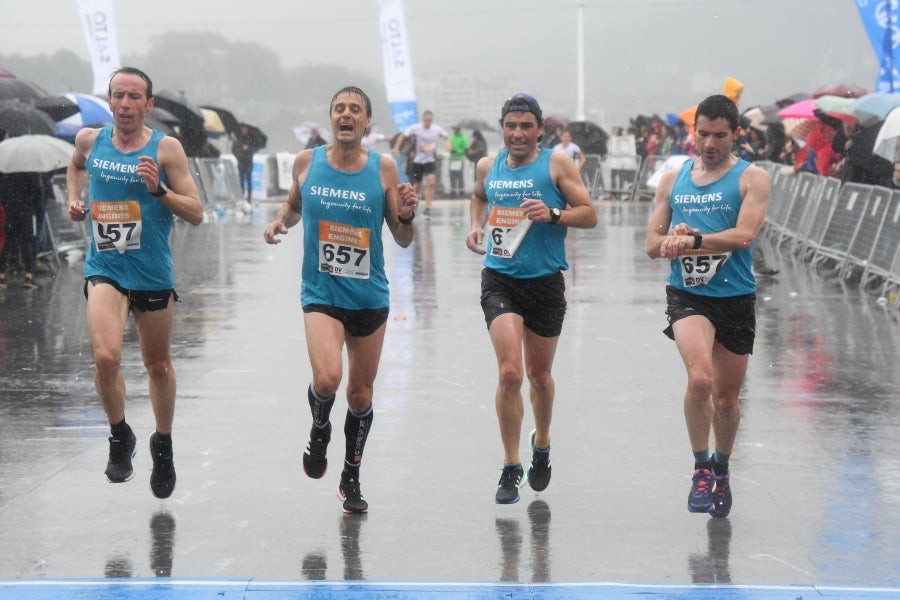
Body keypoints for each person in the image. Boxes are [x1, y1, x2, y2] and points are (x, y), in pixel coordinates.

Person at [263, 86, 418, 514]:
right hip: (322, 292)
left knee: (360, 395)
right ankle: (318, 428)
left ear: (367, 123)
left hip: (369, 295)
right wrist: (280, 221)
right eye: (339, 108)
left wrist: (407, 215)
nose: (346, 115)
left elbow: (404, 239)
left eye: (355, 110)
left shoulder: (385, 169)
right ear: (330, 118)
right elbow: (294, 205)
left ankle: (351, 474)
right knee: (328, 379)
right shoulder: (306, 161)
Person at [66, 66, 204, 499]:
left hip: (151, 271)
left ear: (149, 104)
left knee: (158, 365)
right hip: (105, 266)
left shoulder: (167, 150)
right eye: (118, 96)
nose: (125, 104)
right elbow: (75, 166)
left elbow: (196, 212)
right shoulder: (91, 140)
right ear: (109, 102)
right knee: (106, 357)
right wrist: (74, 198)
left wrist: (160, 190)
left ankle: (162, 445)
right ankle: (119, 434)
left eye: (134, 97)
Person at [465, 93, 598, 505]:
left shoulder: (557, 163)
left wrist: (554, 214)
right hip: (500, 279)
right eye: (510, 126)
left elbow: (589, 214)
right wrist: (475, 226)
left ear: (540, 130)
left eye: (526, 126)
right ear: (502, 128)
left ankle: (541, 442)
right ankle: (510, 464)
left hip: (544, 282)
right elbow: (479, 195)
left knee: (539, 377)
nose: (518, 133)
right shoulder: (488, 165)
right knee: (510, 373)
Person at [644, 94, 771, 519]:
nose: (710, 142)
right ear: (692, 132)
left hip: (734, 296)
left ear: (736, 134)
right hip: (688, 295)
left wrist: (694, 238)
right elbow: (651, 245)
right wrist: (672, 240)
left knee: (727, 399)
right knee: (700, 380)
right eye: (703, 134)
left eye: (720, 135)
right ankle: (700, 467)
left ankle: (722, 467)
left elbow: (744, 236)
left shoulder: (752, 178)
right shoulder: (673, 179)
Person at [392, 110, 447, 217]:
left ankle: (427, 208)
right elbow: (403, 135)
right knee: (417, 186)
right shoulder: (416, 128)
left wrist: (447, 143)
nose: (428, 122)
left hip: (430, 160)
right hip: (418, 161)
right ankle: (412, 206)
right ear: (423, 119)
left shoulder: (436, 129)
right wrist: (396, 147)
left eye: (430, 120)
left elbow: (446, 136)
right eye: (426, 120)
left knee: (431, 183)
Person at [0, 171, 43, 289]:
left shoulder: (8, 174)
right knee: (27, 243)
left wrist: (8, 206)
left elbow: (2, 194)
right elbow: (37, 194)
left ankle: (1, 274)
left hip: (11, 213)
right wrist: (38, 211)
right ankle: (28, 276)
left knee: (8, 243)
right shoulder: (31, 172)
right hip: (27, 213)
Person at [232, 123, 257, 201]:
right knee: (241, 180)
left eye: (245, 129)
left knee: (248, 179)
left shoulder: (251, 139)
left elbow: (255, 149)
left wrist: (248, 148)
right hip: (241, 162)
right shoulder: (238, 139)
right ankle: (242, 195)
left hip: (249, 161)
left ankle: (249, 196)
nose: (243, 130)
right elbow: (234, 149)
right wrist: (239, 154)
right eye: (242, 129)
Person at [448, 125, 470, 198]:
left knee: (459, 175)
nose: (453, 130)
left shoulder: (463, 138)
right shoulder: (452, 137)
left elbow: (465, 149)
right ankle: (453, 190)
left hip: (459, 159)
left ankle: (461, 190)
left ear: (458, 129)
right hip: (452, 159)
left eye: (454, 129)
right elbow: (449, 145)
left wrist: (456, 150)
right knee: (452, 175)